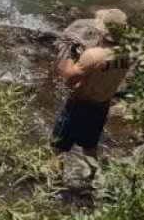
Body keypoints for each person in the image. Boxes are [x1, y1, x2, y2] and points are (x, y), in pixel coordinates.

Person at [51, 25, 132, 181]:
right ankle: (91, 180)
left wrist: (70, 54)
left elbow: (67, 78)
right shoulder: (125, 54)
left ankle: (55, 183)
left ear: (104, 31)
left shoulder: (92, 56)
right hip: (101, 108)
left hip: (78, 107)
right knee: (89, 147)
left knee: (57, 147)